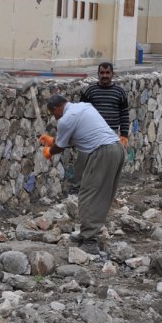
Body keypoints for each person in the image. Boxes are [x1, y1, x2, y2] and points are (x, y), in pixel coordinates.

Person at [39, 94, 124, 254]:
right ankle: (88, 233)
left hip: (102, 152)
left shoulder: (65, 119)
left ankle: (90, 241)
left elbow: (60, 147)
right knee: (102, 194)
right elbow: (79, 136)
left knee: (87, 194)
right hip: (117, 148)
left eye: (53, 113)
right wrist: (52, 140)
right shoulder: (84, 107)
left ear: (57, 108)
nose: (54, 117)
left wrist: (49, 151)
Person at [68, 62, 129, 194]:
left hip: (110, 134)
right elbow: (81, 112)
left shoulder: (120, 93)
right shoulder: (90, 91)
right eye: (102, 73)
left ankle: (104, 189)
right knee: (83, 159)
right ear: (98, 74)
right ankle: (78, 186)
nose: (105, 76)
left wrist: (124, 135)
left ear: (112, 74)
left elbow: (124, 115)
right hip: (90, 133)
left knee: (107, 162)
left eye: (107, 73)